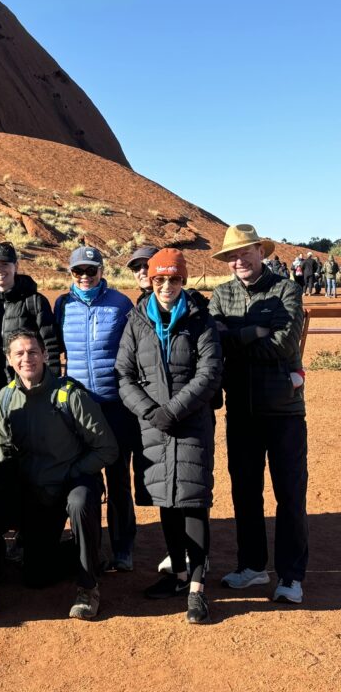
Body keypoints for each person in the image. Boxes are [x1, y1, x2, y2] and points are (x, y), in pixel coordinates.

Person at [115, 249, 222, 625]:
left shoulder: (200, 320)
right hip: (153, 426)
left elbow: (209, 373)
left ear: (183, 281)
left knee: (193, 501)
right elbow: (123, 374)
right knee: (166, 500)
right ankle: (177, 574)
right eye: (160, 279)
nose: (166, 286)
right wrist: (150, 412)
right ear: (151, 280)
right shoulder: (136, 321)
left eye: (173, 279)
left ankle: (196, 588)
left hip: (191, 423)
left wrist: (173, 410)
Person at [209, 224, 308, 604]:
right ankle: (251, 567)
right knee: (245, 492)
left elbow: (283, 345)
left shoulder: (286, 290)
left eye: (245, 252)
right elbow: (215, 344)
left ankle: (291, 575)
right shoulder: (222, 294)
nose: (239, 261)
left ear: (260, 252)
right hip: (242, 412)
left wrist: (234, 335)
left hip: (283, 411)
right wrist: (254, 332)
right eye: (232, 256)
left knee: (290, 494)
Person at [0, 329, 117, 620]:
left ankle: (88, 587)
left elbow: (107, 448)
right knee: (35, 577)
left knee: (80, 501)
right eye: (20, 354)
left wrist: (73, 471)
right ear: (10, 360)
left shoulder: (69, 394)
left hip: (74, 482)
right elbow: (5, 453)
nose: (28, 358)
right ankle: (83, 552)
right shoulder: (6, 397)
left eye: (33, 351)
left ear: (45, 355)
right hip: (38, 490)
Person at [54, 245, 138, 572]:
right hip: (78, 408)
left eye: (91, 270)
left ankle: (123, 549)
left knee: (118, 480)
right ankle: (87, 548)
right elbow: (54, 349)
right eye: (79, 271)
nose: (85, 277)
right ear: (70, 274)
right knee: (83, 479)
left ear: (102, 271)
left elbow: (132, 350)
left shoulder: (120, 304)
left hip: (115, 404)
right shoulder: (62, 305)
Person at [0, 241, 60, 420]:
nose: (0, 269)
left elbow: (50, 344)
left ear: (16, 266)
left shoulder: (34, 301)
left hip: (27, 385)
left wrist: (52, 385)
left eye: (5, 264)